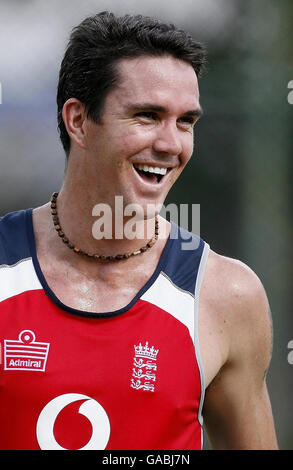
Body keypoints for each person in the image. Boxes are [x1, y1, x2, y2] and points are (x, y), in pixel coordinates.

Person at [0, 11, 278, 450]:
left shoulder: (227, 295)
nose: (171, 144)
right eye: (147, 116)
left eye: (186, 121)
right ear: (78, 121)